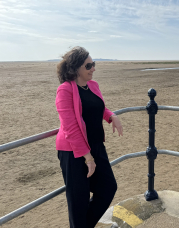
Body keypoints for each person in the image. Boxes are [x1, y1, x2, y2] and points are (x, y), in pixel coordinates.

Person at [56, 46, 123, 228]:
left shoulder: (93, 85)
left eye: (93, 64)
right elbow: (70, 127)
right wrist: (87, 156)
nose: (93, 68)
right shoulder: (65, 90)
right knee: (79, 200)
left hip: (96, 146)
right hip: (73, 151)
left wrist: (111, 116)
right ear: (76, 68)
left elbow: (98, 107)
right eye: (88, 65)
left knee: (108, 187)